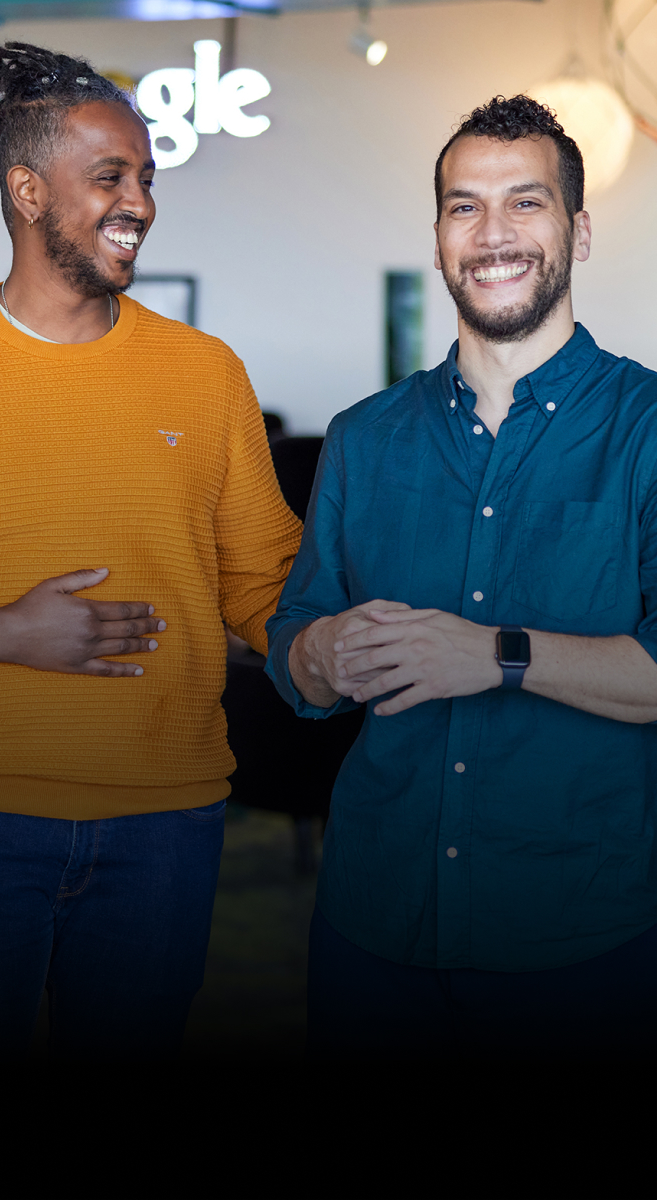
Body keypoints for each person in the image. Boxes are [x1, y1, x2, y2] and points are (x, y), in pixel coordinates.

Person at [0, 34, 301, 1064]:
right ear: (29, 191)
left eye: (147, 176)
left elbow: (262, 577)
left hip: (165, 825)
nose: (141, 199)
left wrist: (337, 633)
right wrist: (10, 632)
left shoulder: (206, 372)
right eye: (111, 177)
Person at [265, 95, 657, 1067]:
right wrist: (316, 653)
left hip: (579, 936)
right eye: (463, 206)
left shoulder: (647, 430)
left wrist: (493, 655)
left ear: (579, 229)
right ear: (439, 237)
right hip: (371, 927)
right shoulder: (363, 436)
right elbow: (295, 644)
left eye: (525, 203)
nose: (492, 234)